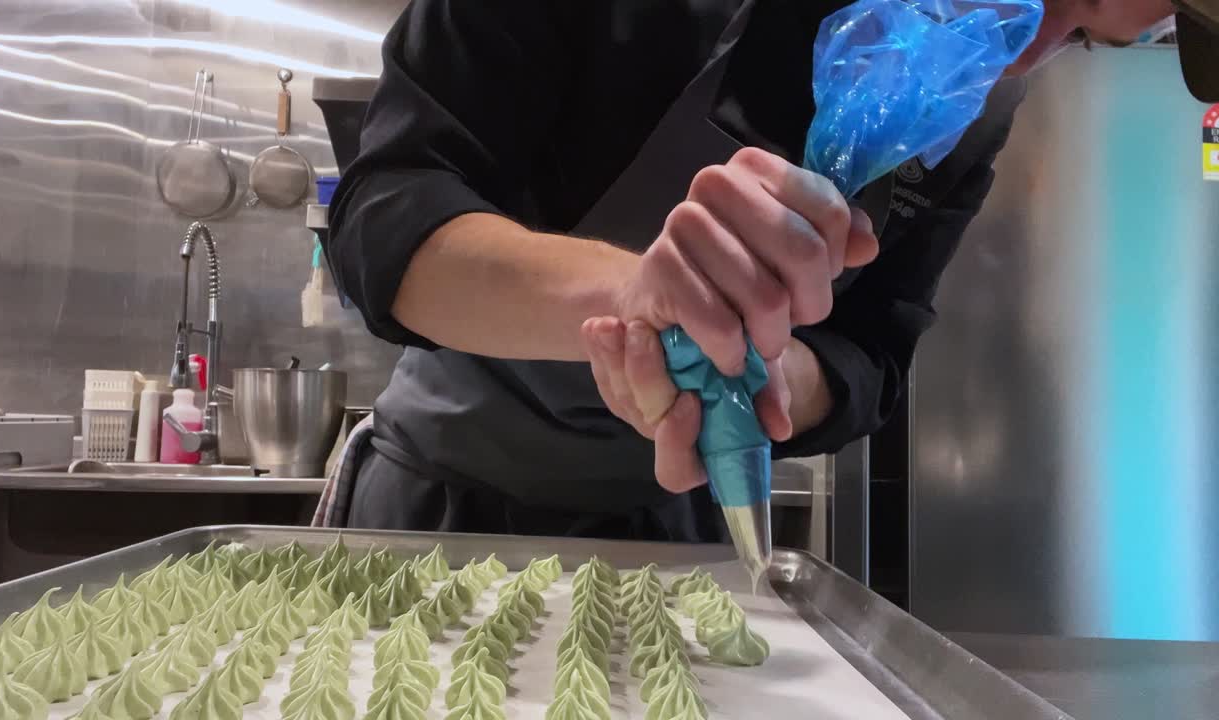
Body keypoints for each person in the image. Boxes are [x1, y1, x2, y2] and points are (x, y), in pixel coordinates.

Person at [326, 0, 1219, 539]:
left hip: (680, 530)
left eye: (1087, 37)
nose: (1023, 53)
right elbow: (384, 215)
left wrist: (771, 369)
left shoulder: (966, 119)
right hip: (440, 509)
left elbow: (872, 357)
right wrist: (640, 300)